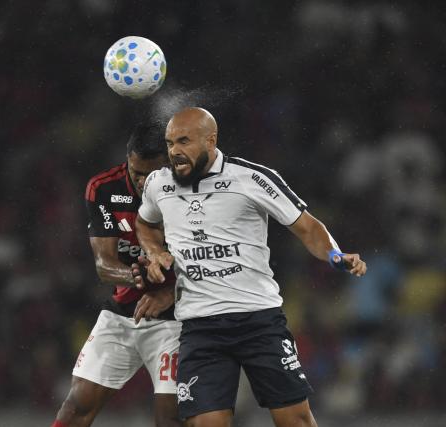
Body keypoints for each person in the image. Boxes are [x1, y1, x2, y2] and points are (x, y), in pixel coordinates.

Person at [132, 107, 367, 427]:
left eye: (184, 141)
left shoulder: (251, 178)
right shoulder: (159, 184)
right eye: (170, 143)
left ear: (210, 140)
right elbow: (144, 223)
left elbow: (308, 228)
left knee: (295, 421)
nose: (174, 151)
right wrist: (154, 251)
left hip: (258, 319)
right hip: (201, 326)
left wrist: (336, 256)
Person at [52, 123, 182, 427]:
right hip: (124, 313)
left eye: (152, 174)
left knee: (170, 418)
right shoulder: (104, 188)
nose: (142, 181)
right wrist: (139, 277)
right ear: (127, 158)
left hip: (177, 317)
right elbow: (103, 264)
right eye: (136, 172)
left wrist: (167, 292)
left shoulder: (188, 190)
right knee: (76, 407)